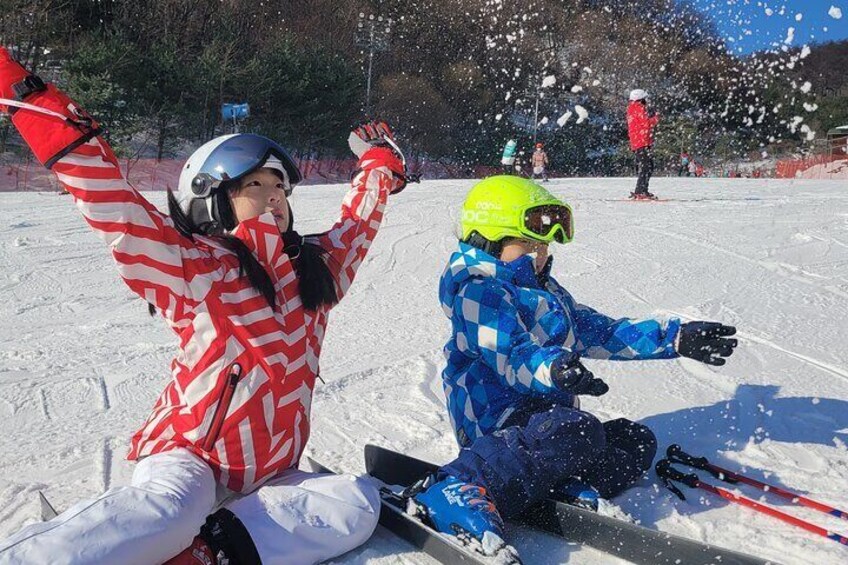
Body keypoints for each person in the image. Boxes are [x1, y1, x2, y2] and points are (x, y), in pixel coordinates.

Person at [0, 48, 411, 565]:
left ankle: (207, 552)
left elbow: (358, 225)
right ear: (212, 199)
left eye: (279, 185)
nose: (274, 196)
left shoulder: (317, 272)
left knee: (356, 502)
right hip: (191, 459)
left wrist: (378, 167)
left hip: (271, 471)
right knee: (168, 514)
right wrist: (32, 99)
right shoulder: (198, 268)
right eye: (253, 185)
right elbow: (112, 201)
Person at [410, 176, 738, 555]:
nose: (541, 254)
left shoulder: (544, 292)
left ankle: (556, 484)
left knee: (633, 440)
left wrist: (675, 337)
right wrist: (554, 368)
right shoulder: (478, 291)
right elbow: (511, 354)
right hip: (497, 422)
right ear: (491, 241)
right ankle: (455, 486)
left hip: (546, 423)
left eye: (544, 245)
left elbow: (602, 331)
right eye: (530, 244)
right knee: (578, 430)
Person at [627, 89, 660, 200]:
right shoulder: (638, 108)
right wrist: (655, 118)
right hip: (641, 141)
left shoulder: (633, 108)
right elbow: (646, 124)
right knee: (646, 166)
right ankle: (640, 191)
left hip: (639, 141)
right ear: (640, 99)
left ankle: (642, 190)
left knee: (647, 166)